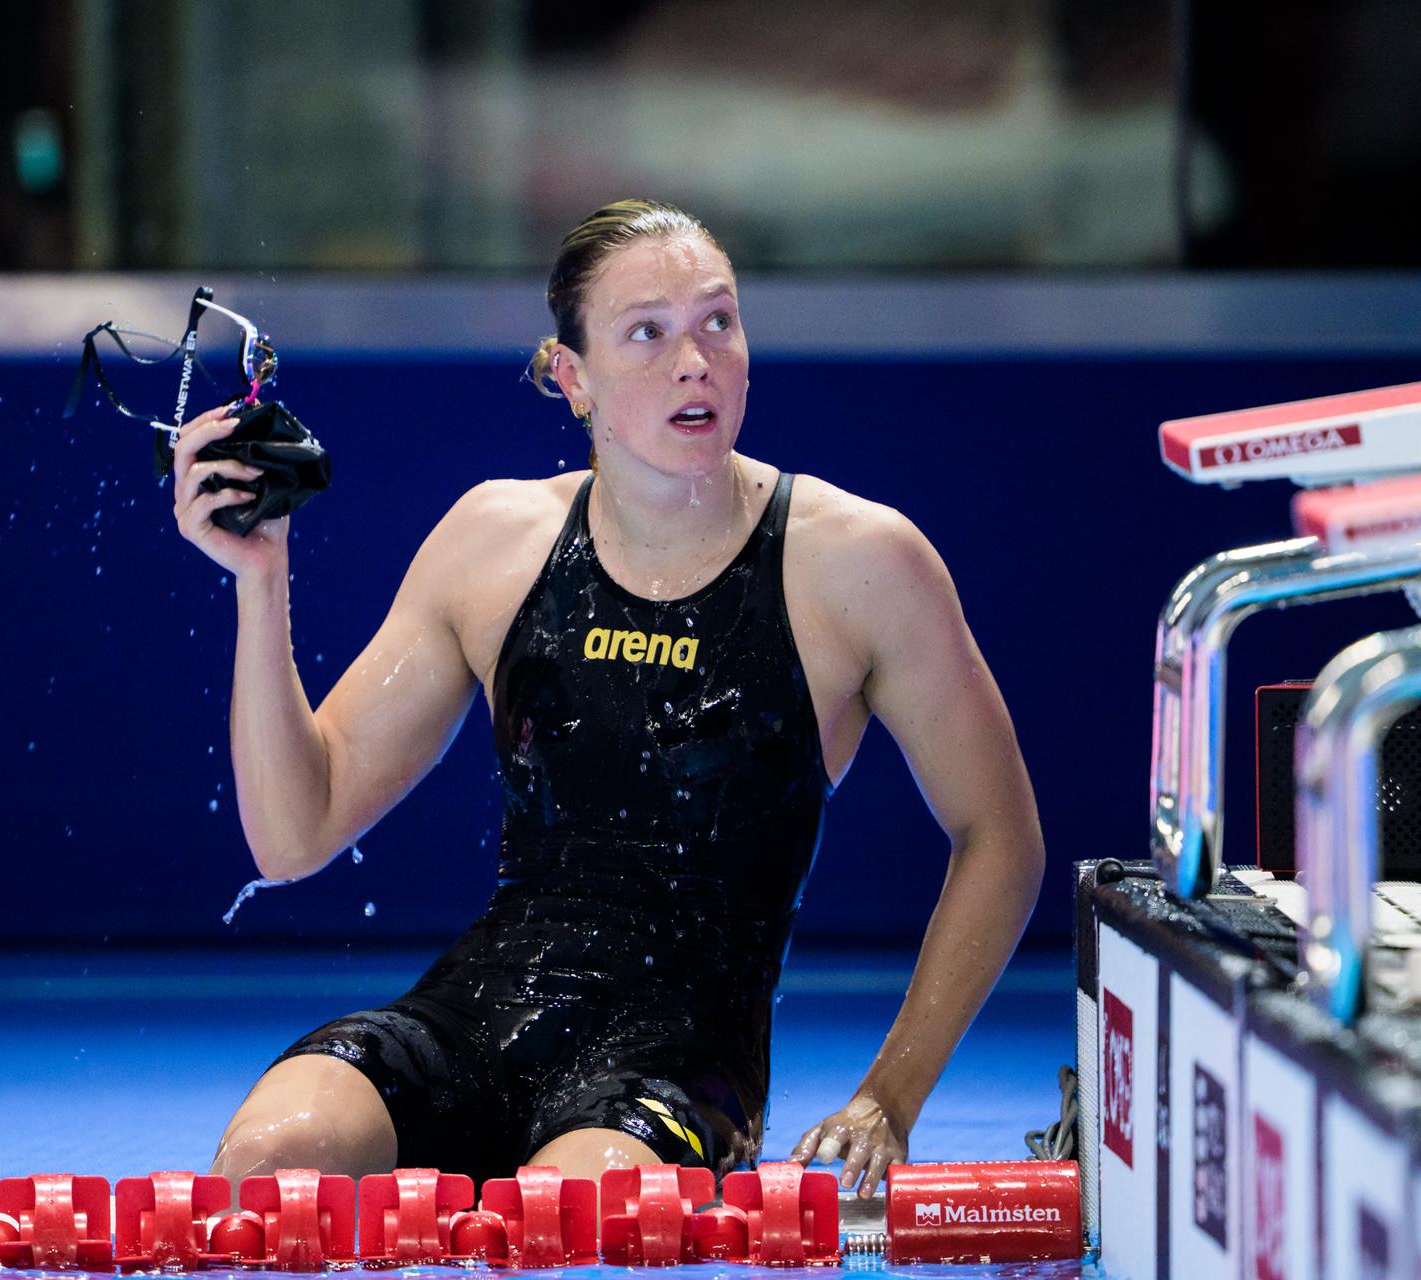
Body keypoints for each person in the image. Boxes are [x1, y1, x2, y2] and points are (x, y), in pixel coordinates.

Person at [183, 199, 1045, 1199]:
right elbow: (294, 830)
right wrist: (260, 577)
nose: (696, 360)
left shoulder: (857, 564)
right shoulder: (494, 542)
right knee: (266, 1160)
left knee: (571, 1211)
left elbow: (1001, 833)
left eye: (718, 321)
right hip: (479, 1013)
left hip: (677, 1065)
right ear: (571, 376)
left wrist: (889, 1095)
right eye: (649, 332)